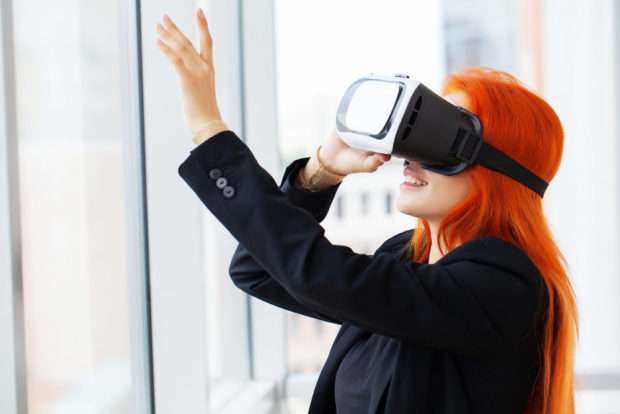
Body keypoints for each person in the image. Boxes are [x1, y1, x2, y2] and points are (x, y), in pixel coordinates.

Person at [156, 9, 578, 414]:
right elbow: (258, 270)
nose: (409, 157)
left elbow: (315, 271)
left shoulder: (505, 285)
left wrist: (208, 129)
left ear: (497, 171)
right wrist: (322, 170)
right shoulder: (403, 255)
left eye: (441, 142)